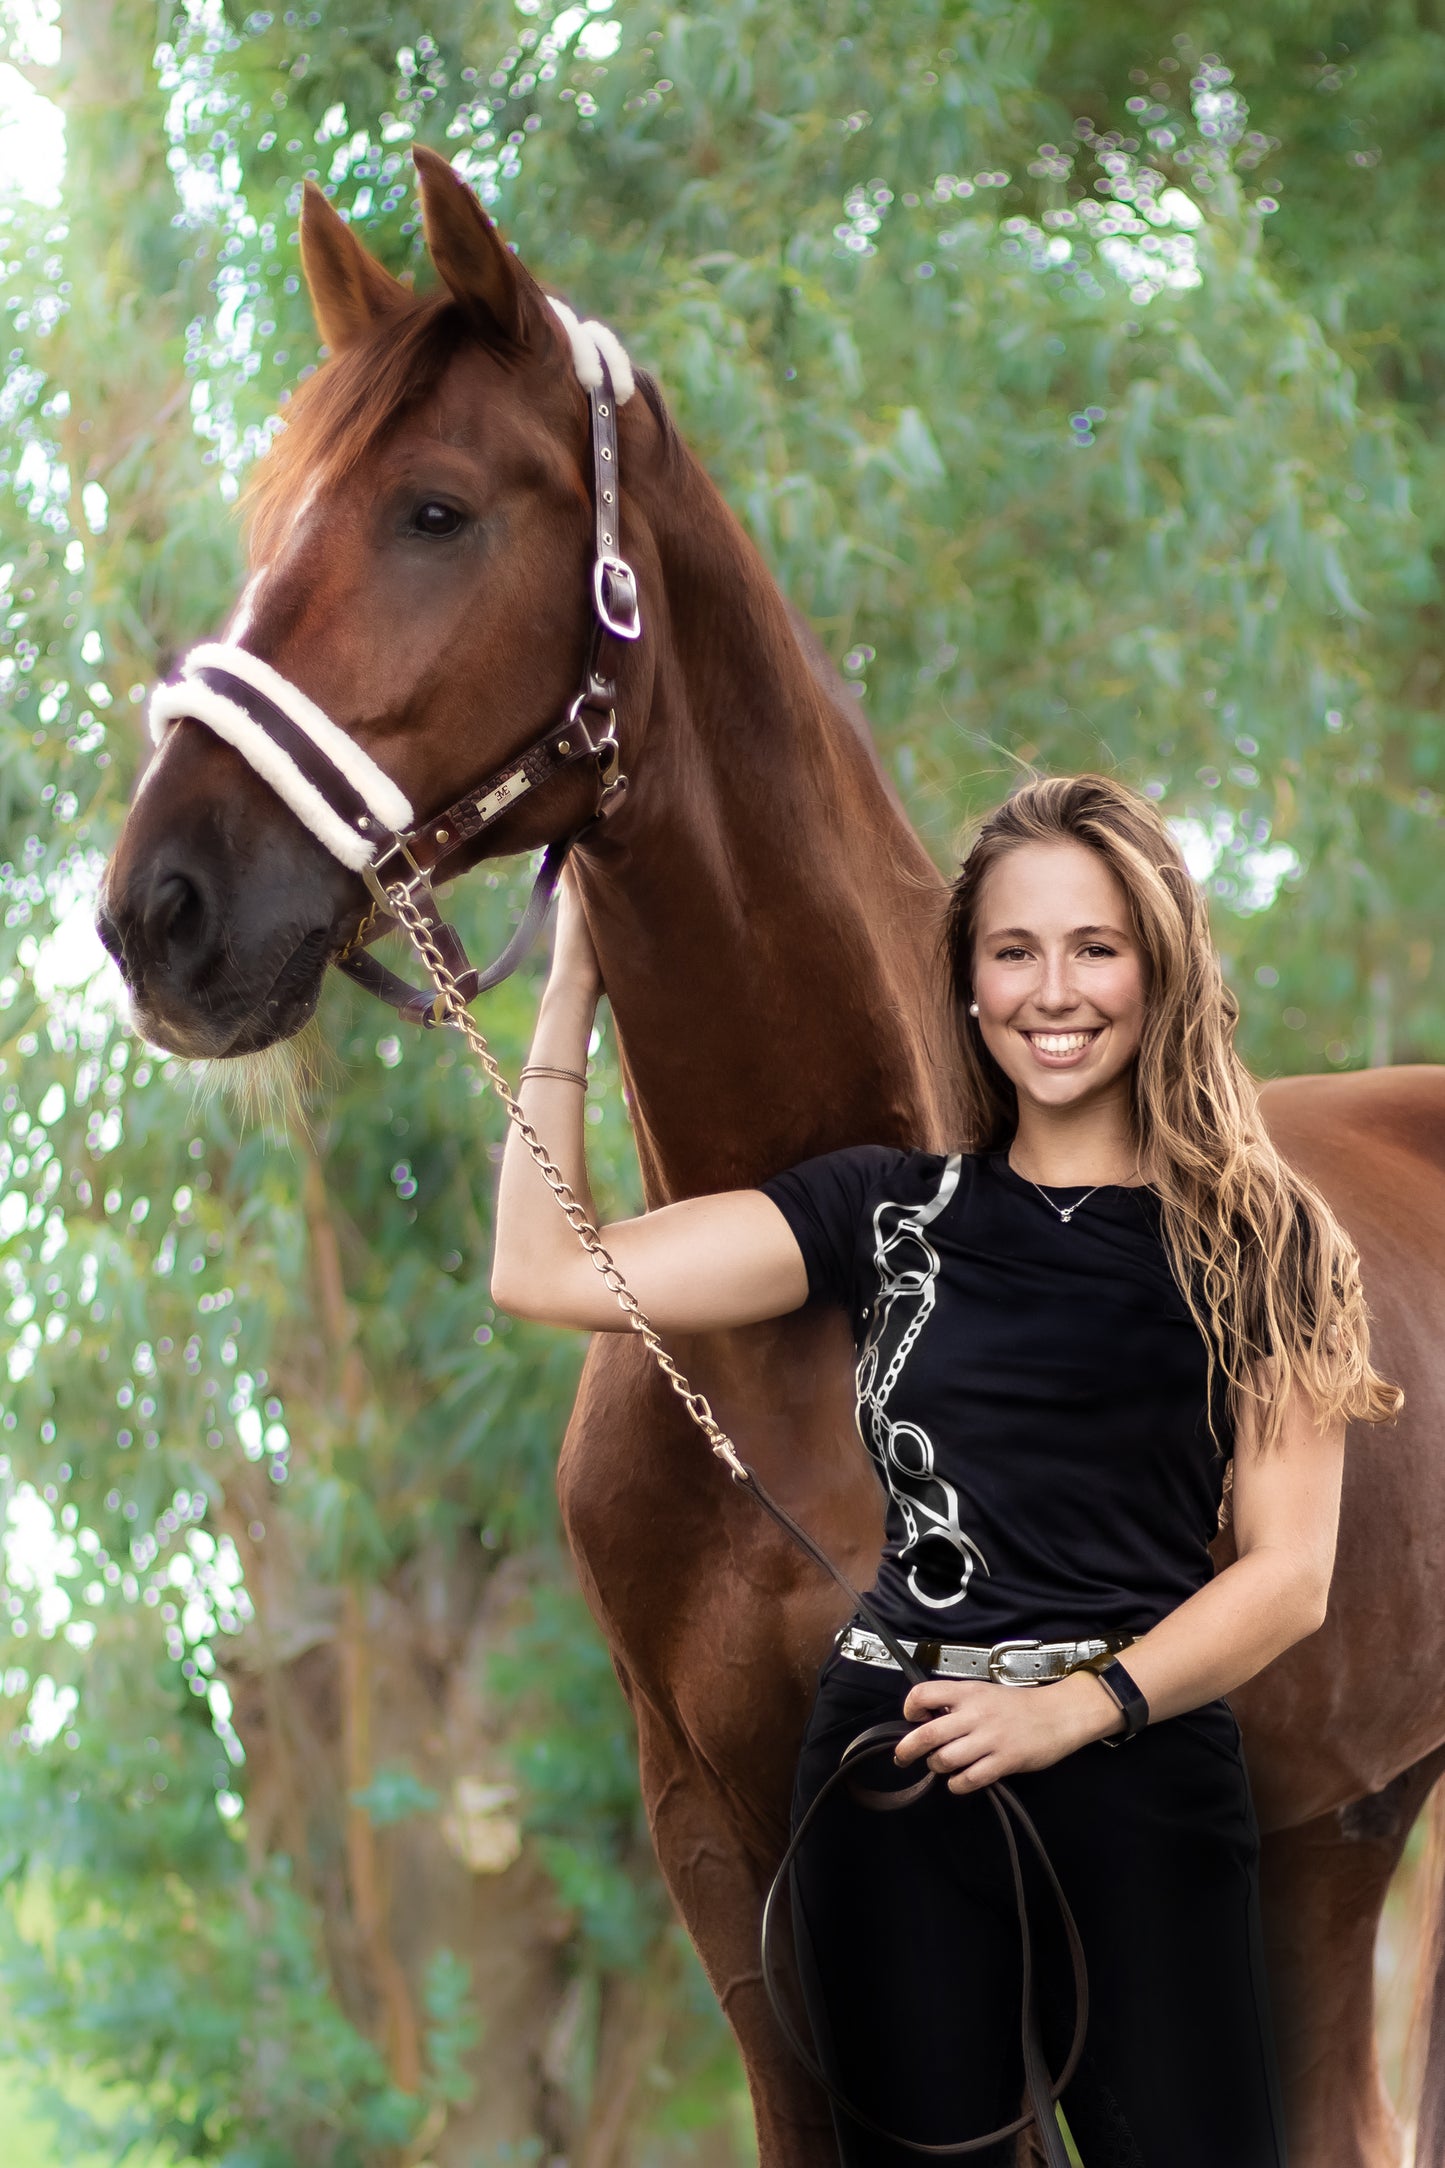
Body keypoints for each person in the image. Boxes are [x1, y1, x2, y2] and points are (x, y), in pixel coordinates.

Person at [490, 772, 1399, 2167]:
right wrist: (567, 996)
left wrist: (1071, 1712)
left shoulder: (1266, 1243)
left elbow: (1288, 1578)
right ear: (967, 984)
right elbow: (547, 1269)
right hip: (893, 1773)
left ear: (1158, 970)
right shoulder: (882, 1210)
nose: (1054, 990)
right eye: (1012, 951)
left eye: (1095, 948)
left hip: (1141, 1775)